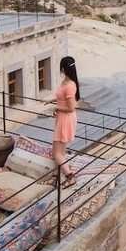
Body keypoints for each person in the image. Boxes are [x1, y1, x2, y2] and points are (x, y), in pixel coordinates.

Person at [52, 56, 80, 188]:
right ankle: (57, 176)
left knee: (56, 153)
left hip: (65, 119)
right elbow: (63, 100)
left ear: (63, 69)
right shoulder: (67, 82)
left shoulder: (70, 86)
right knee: (61, 152)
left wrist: (56, 107)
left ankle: (70, 177)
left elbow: (70, 108)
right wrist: (53, 102)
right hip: (62, 118)